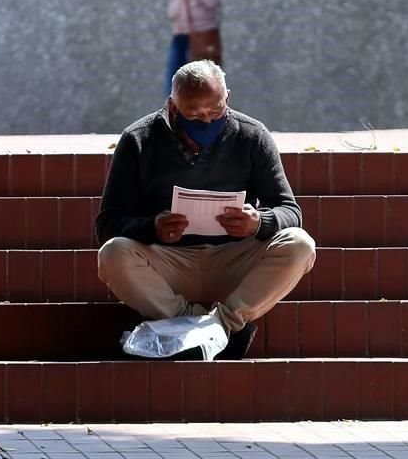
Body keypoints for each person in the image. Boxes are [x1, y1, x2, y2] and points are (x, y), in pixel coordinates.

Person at [97, 60, 315, 360]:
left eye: (216, 112)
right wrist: (151, 227)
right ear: (172, 107)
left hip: (234, 259)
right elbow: (108, 222)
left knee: (300, 244)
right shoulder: (139, 138)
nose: (207, 122)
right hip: (168, 262)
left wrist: (259, 222)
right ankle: (195, 324)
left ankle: (222, 324)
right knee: (113, 254)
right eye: (194, 115)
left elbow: (290, 210)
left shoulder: (252, 135)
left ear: (228, 99)